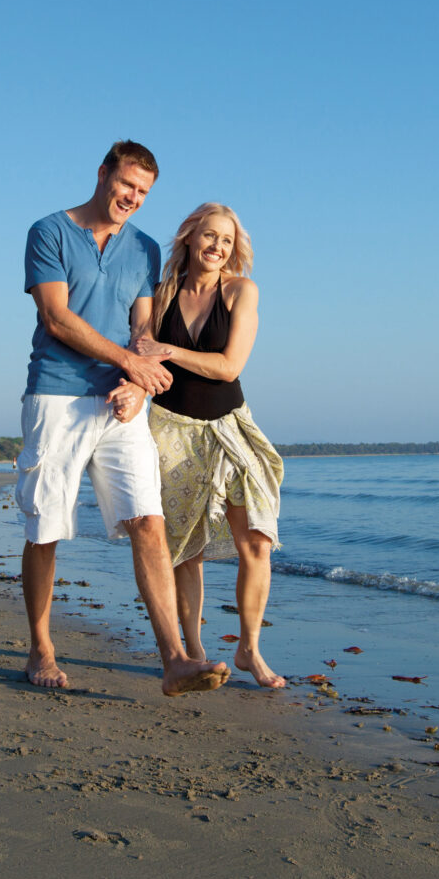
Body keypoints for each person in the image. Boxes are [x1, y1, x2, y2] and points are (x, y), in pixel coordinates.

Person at [18, 142, 230, 696]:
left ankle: (175, 659)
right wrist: (131, 363)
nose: (132, 199)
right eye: (126, 186)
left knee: (149, 520)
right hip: (57, 398)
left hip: (119, 402)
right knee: (47, 528)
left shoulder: (143, 250)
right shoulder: (49, 232)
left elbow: (142, 329)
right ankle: (40, 648)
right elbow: (56, 317)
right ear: (103, 174)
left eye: (142, 193)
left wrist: (137, 382)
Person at [110, 202, 287, 688]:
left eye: (226, 241)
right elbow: (139, 352)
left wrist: (169, 351)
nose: (217, 247)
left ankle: (249, 649)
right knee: (183, 549)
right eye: (209, 236)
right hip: (171, 430)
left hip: (230, 425)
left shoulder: (240, 291)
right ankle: (192, 651)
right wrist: (134, 386)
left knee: (257, 539)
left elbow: (229, 366)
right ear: (189, 237)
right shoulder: (161, 293)